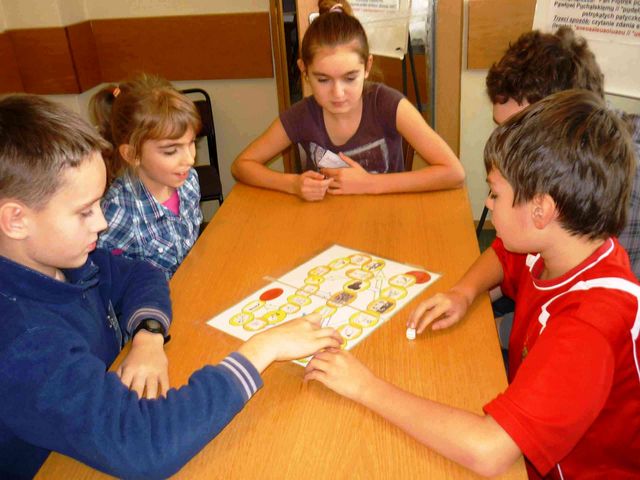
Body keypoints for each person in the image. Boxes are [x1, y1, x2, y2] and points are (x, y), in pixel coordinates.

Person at [0, 95, 342, 479]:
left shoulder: (64, 261)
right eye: (84, 211)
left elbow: (141, 274)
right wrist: (263, 348)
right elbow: (145, 444)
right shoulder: (22, 340)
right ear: (16, 220)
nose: (102, 222)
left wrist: (148, 334)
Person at [305, 90, 640, 479]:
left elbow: (488, 451)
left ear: (542, 210)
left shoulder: (590, 324)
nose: (488, 203)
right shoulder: (564, 244)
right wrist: (463, 292)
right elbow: (503, 256)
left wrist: (365, 387)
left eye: (496, 193)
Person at [485, 27, 640, 354]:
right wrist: (466, 292)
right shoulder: (559, 171)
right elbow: (512, 254)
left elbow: (579, 320)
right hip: (541, 294)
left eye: (516, 132)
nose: (504, 145)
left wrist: (491, 328)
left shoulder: (604, 188)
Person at [231, 0, 465, 202]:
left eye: (350, 78)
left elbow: (454, 173)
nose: (338, 93)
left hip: (387, 219)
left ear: (367, 67)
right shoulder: (301, 116)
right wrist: (292, 184)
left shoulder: (387, 104)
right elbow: (242, 165)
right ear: (304, 70)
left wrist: (369, 184)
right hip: (328, 225)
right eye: (323, 80)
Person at [90, 74, 203, 279]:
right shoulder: (117, 214)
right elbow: (106, 279)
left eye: (192, 143)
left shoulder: (189, 181)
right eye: (171, 151)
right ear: (132, 154)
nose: (190, 159)